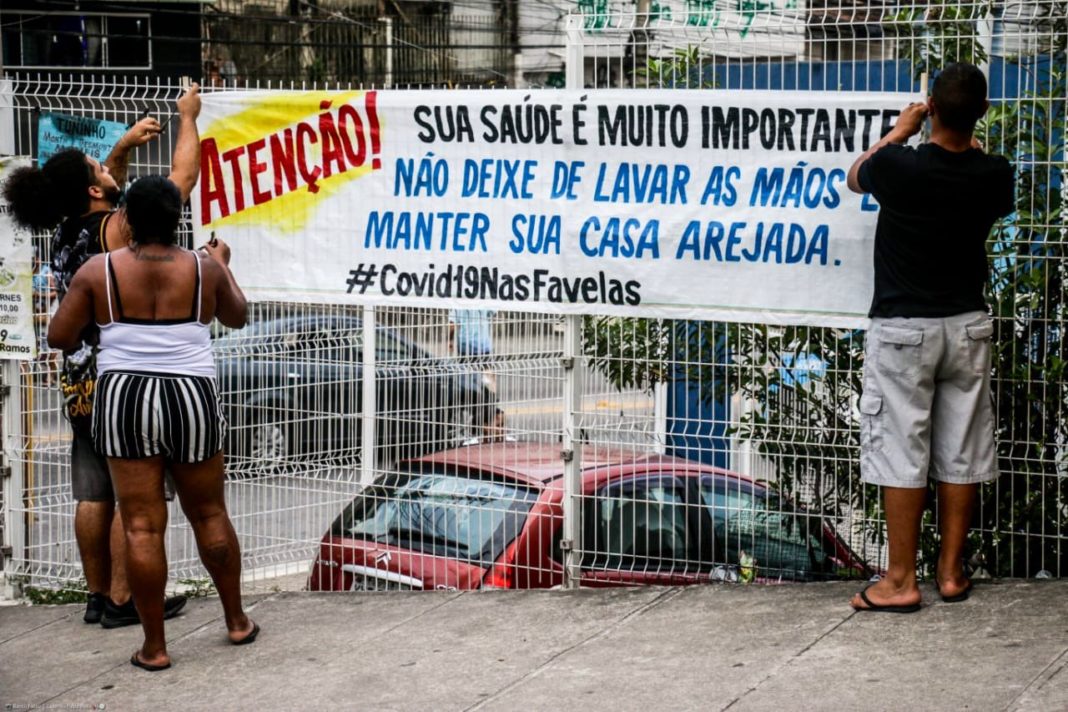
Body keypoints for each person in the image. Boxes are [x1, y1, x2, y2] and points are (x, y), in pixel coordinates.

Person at [1, 84, 202, 627]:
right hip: (116, 377)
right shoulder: (116, 230)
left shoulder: (69, 229)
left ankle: (95, 596)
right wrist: (189, 117)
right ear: (94, 189)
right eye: (99, 163)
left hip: (76, 380)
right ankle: (124, 599)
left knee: (93, 492)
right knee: (134, 495)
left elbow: (106, 182)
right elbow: (179, 185)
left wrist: (126, 145)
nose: (107, 162)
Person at [48, 175, 257, 671]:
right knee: (209, 514)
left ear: (129, 220)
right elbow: (239, 317)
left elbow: (60, 335)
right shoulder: (205, 269)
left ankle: (155, 648)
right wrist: (223, 267)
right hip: (192, 395)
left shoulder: (100, 271)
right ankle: (236, 621)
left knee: (141, 526)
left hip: (124, 398)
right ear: (177, 220)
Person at [845, 63, 1014, 612]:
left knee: (902, 447)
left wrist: (900, 129)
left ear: (931, 109)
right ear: (981, 114)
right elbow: (978, 166)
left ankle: (898, 581)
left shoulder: (898, 166)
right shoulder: (995, 173)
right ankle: (950, 573)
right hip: (966, 325)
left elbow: (854, 175)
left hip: (903, 329)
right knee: (961, 447)